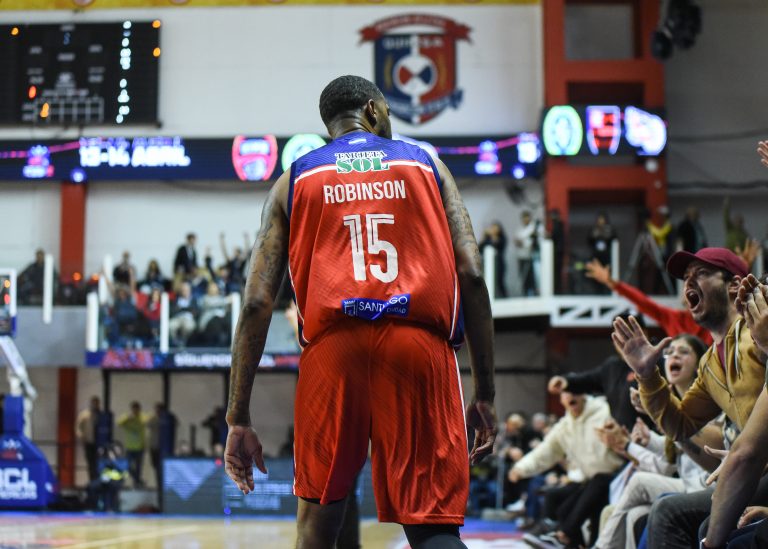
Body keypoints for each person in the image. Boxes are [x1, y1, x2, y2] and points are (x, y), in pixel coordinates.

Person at [223, 75, 496, 549]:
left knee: (317, 525)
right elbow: (472, 274)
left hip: (333, 352)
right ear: (372, 110)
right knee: (432, 526)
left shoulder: (293, 180)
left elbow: (256, 302)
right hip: (418, 348)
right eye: (388, 112)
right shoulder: (427, 164)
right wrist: (485, 393)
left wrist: (238, 417)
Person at [611, 247, 766, 549]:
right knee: (681, 517)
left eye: (702, 273)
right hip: (754, 471)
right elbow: (679, 425)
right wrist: (646, 374)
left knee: (671, 513)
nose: (688, 283)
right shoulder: (709, 364)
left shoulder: (755, 332)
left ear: (734, 285)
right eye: (686, 278)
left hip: (755, 468)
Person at [592, 334, 712, 549]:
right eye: (669, 352)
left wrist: (631, 444)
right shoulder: (678, 402)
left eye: (683, 352)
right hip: (688, 482)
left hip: (705, 485)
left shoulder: (707, 401)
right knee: (635, 515)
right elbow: (674, 453)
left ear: (698, 365)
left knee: (638, 482)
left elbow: (690, 452)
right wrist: (648, 441)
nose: (674, 356)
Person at [509, 392, 624, 548]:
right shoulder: (565, 425)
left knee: (590, 501)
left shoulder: (605, 411)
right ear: (562, 399)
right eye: (566, 394)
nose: (570, 397)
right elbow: (546, 450)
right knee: (561, 506)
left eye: (574, 392)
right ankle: (555, 531)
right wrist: (521, 468)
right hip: (589, 481)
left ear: (583, 395)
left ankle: (562, 534)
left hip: (615, 477)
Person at [585, 258, 712, 344]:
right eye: (688, 284)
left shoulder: (713, 319)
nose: (691, 289)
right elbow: (643, 302)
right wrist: (612, 283)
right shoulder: (673, 318)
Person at [117, 401, 147, 488]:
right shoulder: (127, 417)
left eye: (137, 409)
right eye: (134, 409)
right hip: (130, 447)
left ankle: (137, 483)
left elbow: (146, 421)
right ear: (131, 409)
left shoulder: (142, 417)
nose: (135, 411)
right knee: (127, 466)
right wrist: (128, 418)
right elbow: (119, 423)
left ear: (139, 409)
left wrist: (137, 418)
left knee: (138, 467)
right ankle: (138, 480)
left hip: (140, 447)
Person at [514, 211, 543, 296]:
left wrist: (524, 243)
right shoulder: (519, 229)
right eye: (524, 218)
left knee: (533, 277)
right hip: (522, 256)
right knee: (524, 278)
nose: (525, 220)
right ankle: (526, 293)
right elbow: (517, 242)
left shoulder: (535, 228)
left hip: (532, 257)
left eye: (527, 218)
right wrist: (521, 243)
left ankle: (534, 293)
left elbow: (538, 241)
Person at [76, 396, 102, 483]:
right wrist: (81, 436)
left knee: (99, 462)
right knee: (90, 462)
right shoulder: (84, 414)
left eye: (96, 403)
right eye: (93, 403)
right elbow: (78, 428)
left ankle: (99, 480)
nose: (95, 405)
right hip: (89, 442)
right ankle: (92, 481)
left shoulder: (102, 415)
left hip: (100, 443)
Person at [479, 221, 508, 298]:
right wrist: (483, 236)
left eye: (495, 227)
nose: (493, 229)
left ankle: (504, 297)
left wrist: (492, 235)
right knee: (488, 281)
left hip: (499, 263)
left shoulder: (502, 238)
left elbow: (498, 244)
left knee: (499, 281)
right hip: (488, 264)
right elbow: (480, 248)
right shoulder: (487, 238)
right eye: (492, 227)